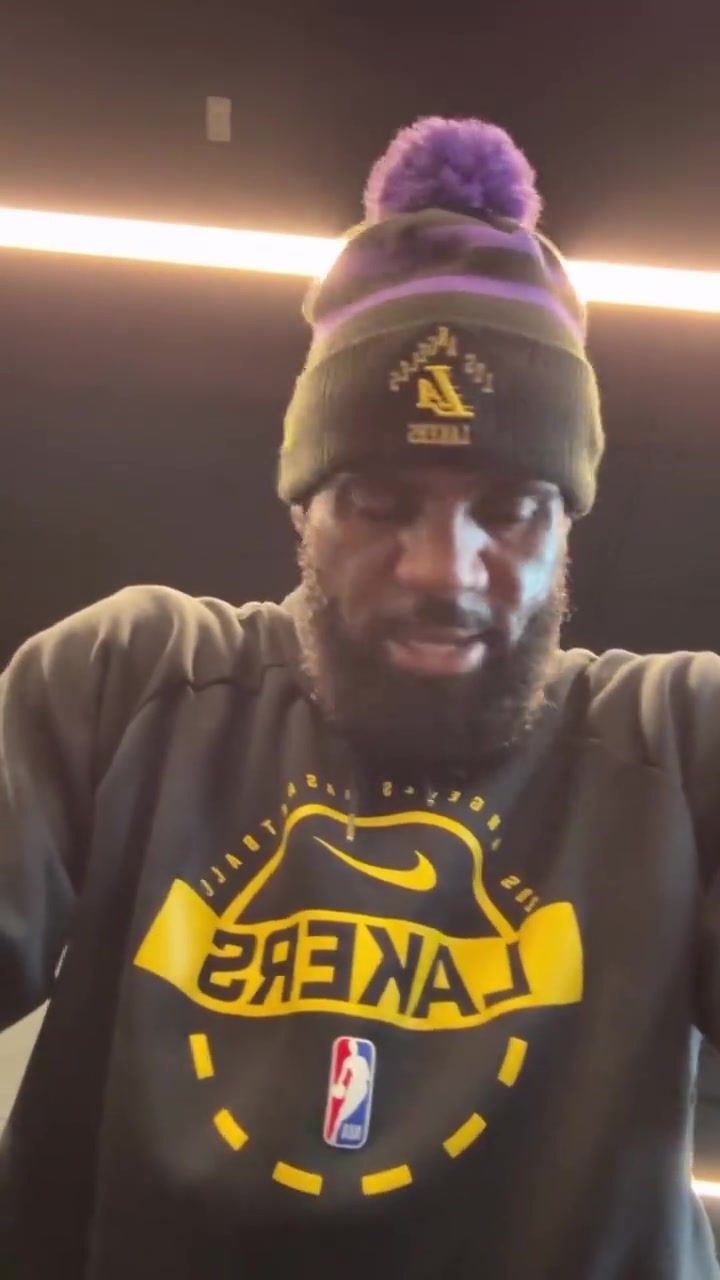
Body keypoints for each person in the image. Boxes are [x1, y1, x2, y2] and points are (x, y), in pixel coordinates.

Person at [0, 114, 717, 1280]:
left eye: (509, 509)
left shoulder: (682, 745)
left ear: (566, 523)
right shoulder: (128, 683)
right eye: (380, 502)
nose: (445, 569)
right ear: (303, 507)